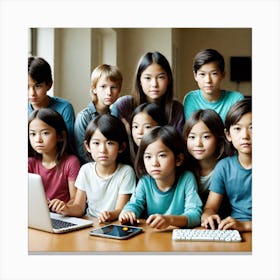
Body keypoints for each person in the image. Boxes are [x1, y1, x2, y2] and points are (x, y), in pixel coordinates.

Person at [54, 114, 136, 223]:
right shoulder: (85, 170)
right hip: (89, 223)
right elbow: (79, 207)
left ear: (121, 147)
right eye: (96, 143)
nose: (102, 150)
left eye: (110, 143)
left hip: (114, 225)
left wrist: (110, 215)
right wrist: (66, 208)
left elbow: (121, 209)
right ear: (88, 146)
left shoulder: (126, 172)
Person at [119, 125, 202, 229]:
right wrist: (128, 212)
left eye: (162, 155)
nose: (154, 163)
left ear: (178, 159)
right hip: (154, 237)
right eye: (148, 157)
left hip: (179, 237)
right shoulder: (145, 181)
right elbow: (134, 204)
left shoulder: (186, 178)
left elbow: (195, 215)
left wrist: (169, 220)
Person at [201, 99, 252, 232]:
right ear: (228, 135)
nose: (245, 136)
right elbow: (210, 207)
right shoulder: (224, 167)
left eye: (252, 128)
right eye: (237, 129)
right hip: (233, 230)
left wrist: (245, 226)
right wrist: (208, 217)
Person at [111, 51, 185, 133]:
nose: (154, 84)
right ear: (139, 80)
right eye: (147, 78)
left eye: (160, 77)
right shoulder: (124, 106)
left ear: (168, 79)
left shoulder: (176, 109)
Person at [28, 108, 80, 210]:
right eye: (33, 134)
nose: (38, 139)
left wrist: (64, 206)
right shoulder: (29, 163)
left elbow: (76, 200)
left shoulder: (71, 162)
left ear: (60, 136)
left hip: (64, 216)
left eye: (45, 133)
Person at [74, 64, 123, 164]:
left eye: (113, 87)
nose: (109, 92)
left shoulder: (116, 115)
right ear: (94, 89)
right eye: (103, 86)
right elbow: (81, 152)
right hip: (91, 168)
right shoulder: (84, 117)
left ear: (119, 91)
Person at [183, 48, 244, 122]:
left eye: (214, 74)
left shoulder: (236, 99)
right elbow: (192, 130)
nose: (208, 80)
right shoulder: (191, 98)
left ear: (222, 75)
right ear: (195, 76)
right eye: (202, 74)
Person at [28, 56, 76, 147]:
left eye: (38, 86)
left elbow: (68, 144)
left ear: (49, 85)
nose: (32, 93)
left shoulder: (64, 108)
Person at [183, 109, 226, 206]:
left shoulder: (226, 167)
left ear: (218, 138)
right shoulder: (183, 167)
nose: (198, 144)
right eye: (192, 137)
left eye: (206, 137)